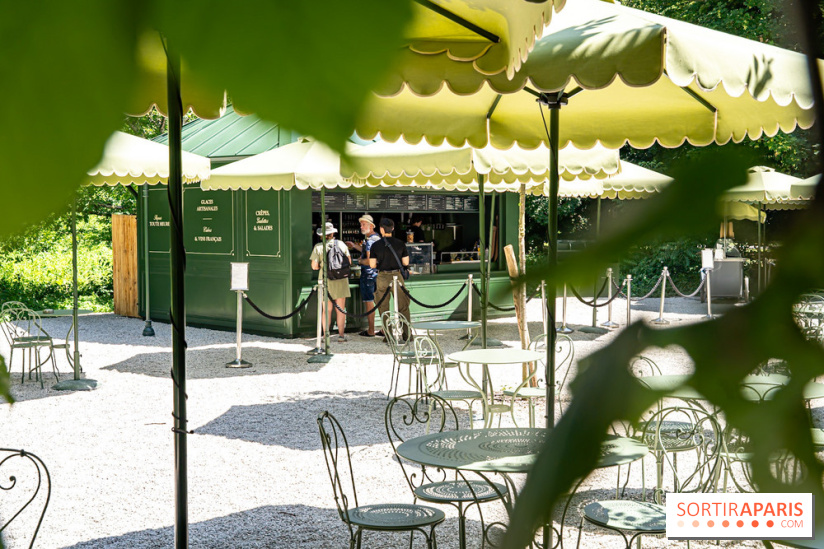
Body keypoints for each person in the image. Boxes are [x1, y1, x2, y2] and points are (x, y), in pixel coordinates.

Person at [369, 218, 411, 336]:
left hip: (382, 276)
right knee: (403, 306)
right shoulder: (400, 243)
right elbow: (406, 262)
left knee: (383, 307)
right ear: (392, 228)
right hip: (397, 276)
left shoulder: (375, 245)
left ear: (381, 229)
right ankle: (407, 334)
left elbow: (372, 265)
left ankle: (388, 335)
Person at [310, 221, 351, 343]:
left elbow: (314, 266)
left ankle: (325, 336)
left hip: (325, 281)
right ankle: (341, 336)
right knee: (341, 309)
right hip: (341, 280)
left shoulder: (318, 247)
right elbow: (349, 261)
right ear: (333, 233)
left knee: (326, 310)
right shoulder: (342, 244)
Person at [345, 214, 381, 337]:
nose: (361, 226)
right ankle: (385, 329)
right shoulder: (377, 238)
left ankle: (371, 330)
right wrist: (355, 246)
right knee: (381, 302)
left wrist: (359, 261)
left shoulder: (370, 241)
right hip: (378, 275)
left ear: (371, 226)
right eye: (361, 224)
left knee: (369, 302)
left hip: (369, 275)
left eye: (364, 224)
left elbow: (370, 260)